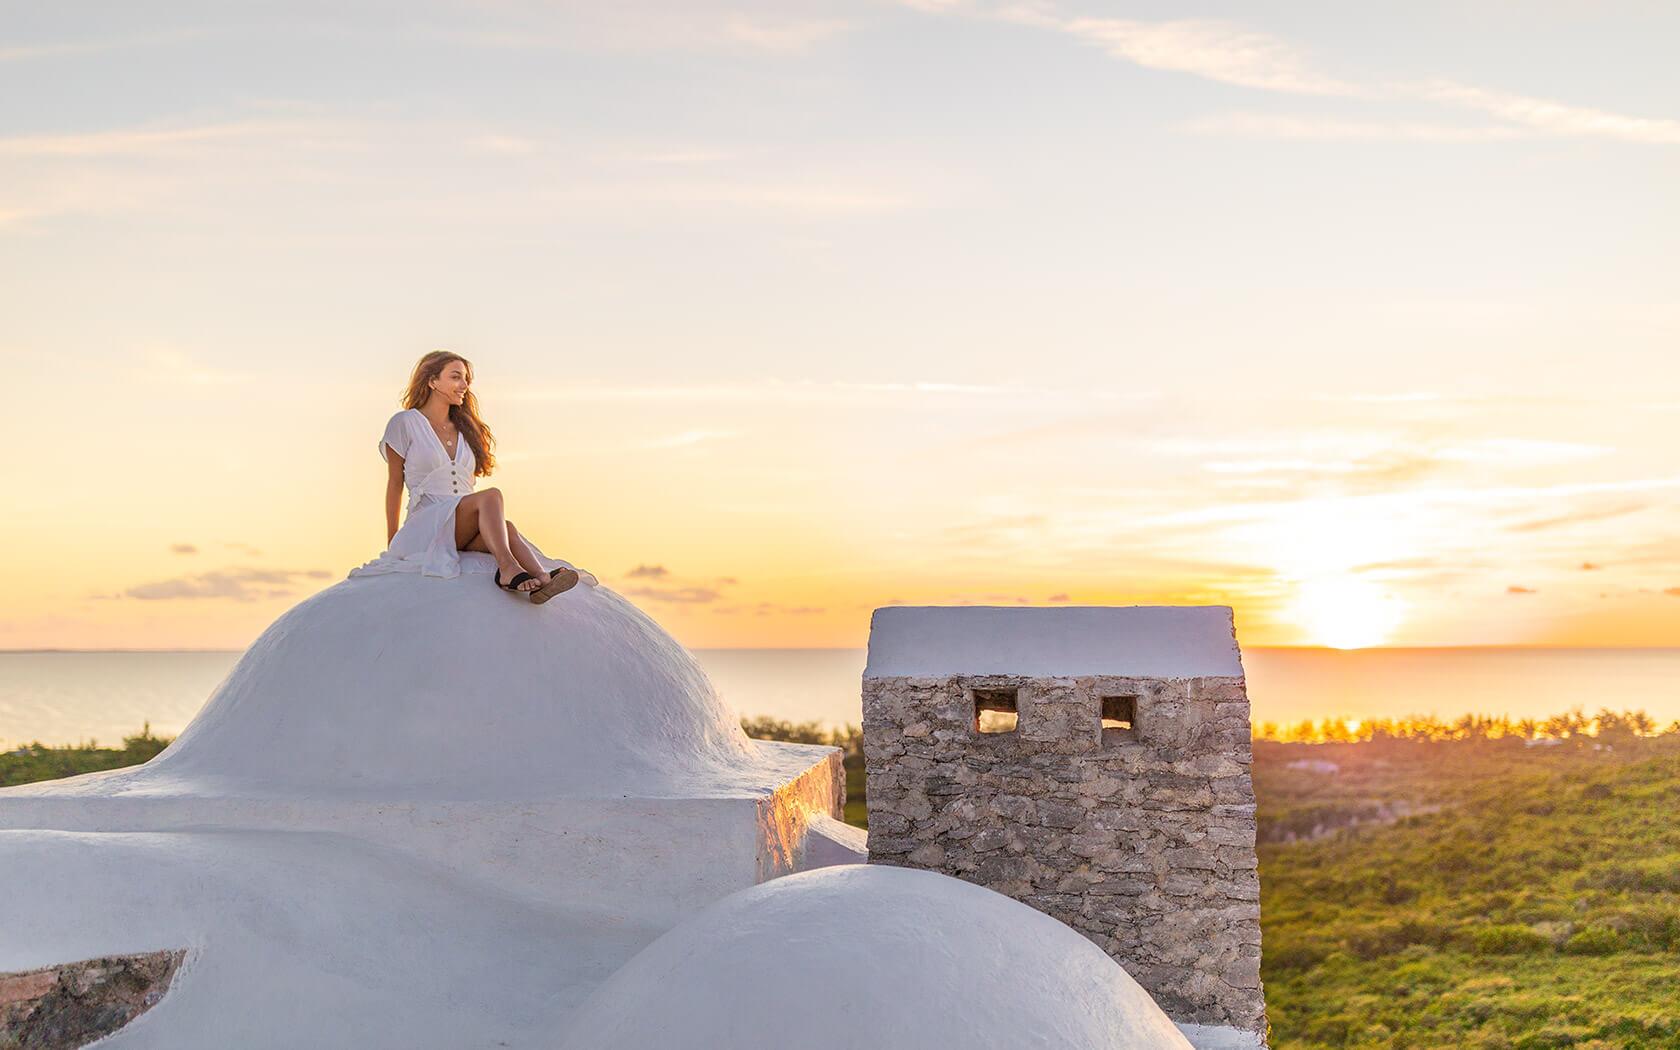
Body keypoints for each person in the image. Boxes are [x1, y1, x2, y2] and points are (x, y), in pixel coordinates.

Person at [348, 350, 583, 603]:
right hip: (425, 523)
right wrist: (393, 539)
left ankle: (542, 579)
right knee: (491, 496)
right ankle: (507, 569)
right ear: (432, 381)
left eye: (466, 379)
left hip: (459, 522)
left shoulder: (466, 430)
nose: (464, 385)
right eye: (456, 377)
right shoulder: (405, 422)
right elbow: (395, 484)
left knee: (507, 528)